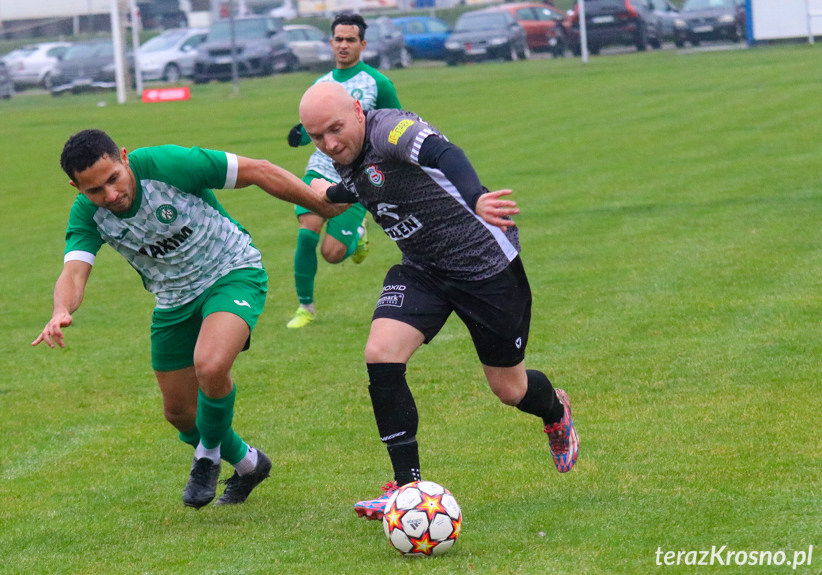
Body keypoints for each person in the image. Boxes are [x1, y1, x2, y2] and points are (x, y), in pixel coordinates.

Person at [298, 83, 580, 519]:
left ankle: (555, 410)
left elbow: (442, 154)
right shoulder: (345, 158)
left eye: (335, 129)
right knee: (380, 354)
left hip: (484, 268)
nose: (330, 143)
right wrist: (319, 193)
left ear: (358, 110)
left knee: (510, 389)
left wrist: (475, 198)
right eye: (318, 137)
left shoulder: (390, 129)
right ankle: (405, 489)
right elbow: (356, 189)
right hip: (423, 269)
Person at [32, 129, 343, 509]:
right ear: (76, 187)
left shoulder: (170, 164)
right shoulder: (88, 214)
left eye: (113, 179)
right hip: (173, 300)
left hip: (231, 271)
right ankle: (249, 463)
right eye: (95, 190)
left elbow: (259, 170)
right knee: (180, 413)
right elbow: (74, 272)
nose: (110, 195)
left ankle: (207, 456)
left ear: (124, 157)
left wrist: (319, 203)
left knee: (210, 367)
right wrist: (61, 309)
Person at [283, 12, 402, 329]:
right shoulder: (320, 85)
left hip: (357, 176)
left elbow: (395, 125)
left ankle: (358, 232)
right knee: (307, 232)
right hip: (320, 168)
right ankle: (305, 308)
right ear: (331, 42)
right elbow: (314, 124)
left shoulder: (378, 83)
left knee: (332, 254)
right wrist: (301, 133)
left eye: (351, 40)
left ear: (362, 44)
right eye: (338, 39)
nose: (344, 45)